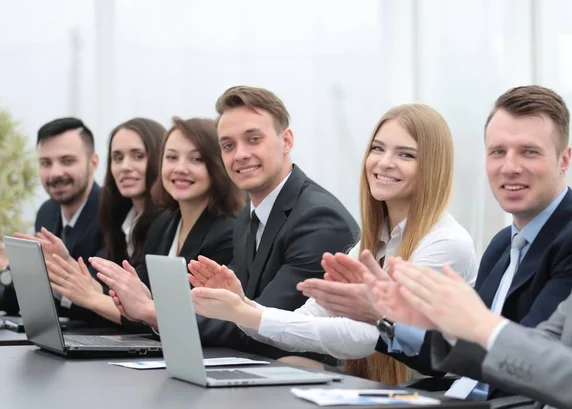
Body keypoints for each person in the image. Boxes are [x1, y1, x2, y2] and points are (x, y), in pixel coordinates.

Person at [188, 104, 478, 383]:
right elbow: (309, 317)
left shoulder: (445, 243)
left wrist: (245, 313)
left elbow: (365, 337)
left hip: (423, 396)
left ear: (433, 166)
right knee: (292, 366)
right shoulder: (372, 239)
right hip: (377, 387)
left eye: (405, 154)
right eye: (378, 148)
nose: (384, 162)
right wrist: (241, 305)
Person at [361, 85, 572, 400]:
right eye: (498, 152)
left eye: (529, 151)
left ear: (564, 160)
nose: (509, 166)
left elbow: (531, 360)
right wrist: (387, 319)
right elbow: (475, 353)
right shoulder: (503, 243)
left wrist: (470, 323)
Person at [101, 86, 358, 360]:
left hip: (305, 380)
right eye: (228, 145)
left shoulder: (318, 220)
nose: (240, 154)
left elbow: (265, 324)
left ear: (286, 141)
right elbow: (229, 310)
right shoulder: (251, 213)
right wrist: (152, 305)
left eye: (254, 139)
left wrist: (152, 311)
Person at [367, 224, 572, 409]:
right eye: (495, 159)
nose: (510, 168)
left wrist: (483, 326)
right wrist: (446, 326)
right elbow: (546, 340)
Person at [82, 117, 245, 326]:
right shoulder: (163, 224)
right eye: (171, 158)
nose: (180, 168)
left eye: (196, 159)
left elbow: (196, 317)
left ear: (217, 165)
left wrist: (92, 297)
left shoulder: (228, 231)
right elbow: (139, 300)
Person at [41, 118, 166, 323]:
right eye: (117, 158)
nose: (125, 166)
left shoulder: (163, 223)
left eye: (138, 156)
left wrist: (87, 294)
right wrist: (69, 267)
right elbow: (112, 295)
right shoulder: (120, 218)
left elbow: (143, 311)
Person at [2, 118, 104, 321]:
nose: (55, 173)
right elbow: (17, 297)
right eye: (45, 163)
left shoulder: (110, 214)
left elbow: (96, 302)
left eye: (67, 161)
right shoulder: (47, 212)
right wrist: (11, 269)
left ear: (93, 163)